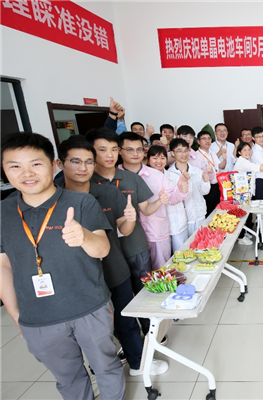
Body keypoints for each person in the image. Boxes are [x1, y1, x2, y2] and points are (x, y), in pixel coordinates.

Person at [1, 132, 126, 399]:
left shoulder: (81, 202)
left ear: (53, 164)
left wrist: (84, 237)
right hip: (38, 317)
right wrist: (15, 314)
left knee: (106, 367)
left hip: (90, 307)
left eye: (35, 164)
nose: (26, 173)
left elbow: (103, 249)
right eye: (15, 166)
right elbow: (3, 266)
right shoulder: (3, 212)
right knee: (68, 379)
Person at [56, 136, 168, 377]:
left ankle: (137, 362)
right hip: (76, 274)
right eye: (76, 161)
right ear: (60, 163)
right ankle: (101, 368)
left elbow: (124, 230)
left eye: (88, 162)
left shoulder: (108, 191)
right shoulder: (52, 196)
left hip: (113, 266)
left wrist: (130, 219)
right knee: (89, 329)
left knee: (125, 317)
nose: (83, 167)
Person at [118, 132, 188, 270]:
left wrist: (180, 190)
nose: (135, 154)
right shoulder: (115, 177)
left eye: (139, 149)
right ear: (119, 151)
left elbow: (172, 198)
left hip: (156, 232)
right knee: (137, 274)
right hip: (128, 237)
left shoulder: (155, 174)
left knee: (162, 270)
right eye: (130, 150)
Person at [165, 140, 211, 249]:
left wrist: (205, 181)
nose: (184, 154)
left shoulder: (197, 171)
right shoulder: (169, 175)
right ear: (172, 153)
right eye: (179, 151)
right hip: (180, 220)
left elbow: (204, 192)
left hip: (198, 214)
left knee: (201, 247)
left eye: (186, 150)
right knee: (183, 250)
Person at [197, 130, 225, 216]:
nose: (207, 141)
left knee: (218, 211)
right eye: (204, 139)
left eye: (209, 138)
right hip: (206, 188)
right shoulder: (197, 156)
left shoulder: (212, 153)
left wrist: (224, 159)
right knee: (209, 213)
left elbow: (221, 166)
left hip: (217, 186)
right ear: (198, 141)